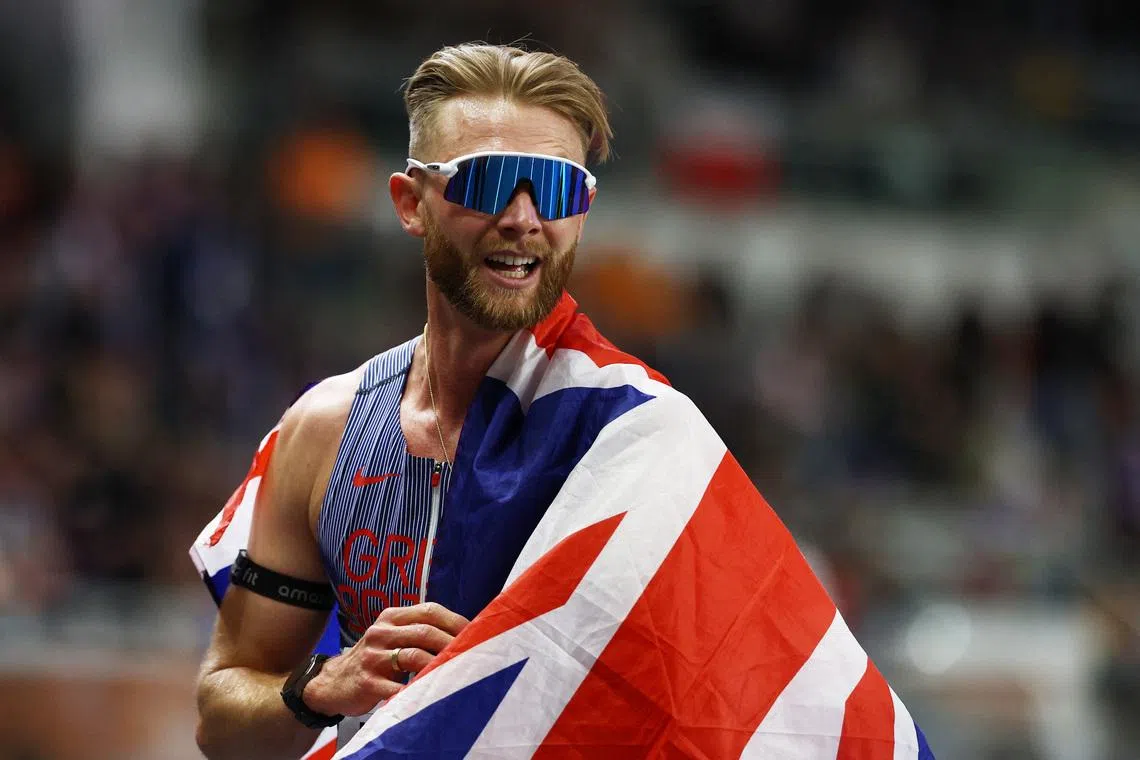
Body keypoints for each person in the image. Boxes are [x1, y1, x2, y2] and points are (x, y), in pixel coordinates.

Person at [194, 43, 613, 759]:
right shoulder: (324, 431)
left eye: (556, 188)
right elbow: (223, 727)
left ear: (584, 210)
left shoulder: (634, 437)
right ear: (410, 204)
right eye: (488, 184)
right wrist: (321, 684)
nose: (523, 217)